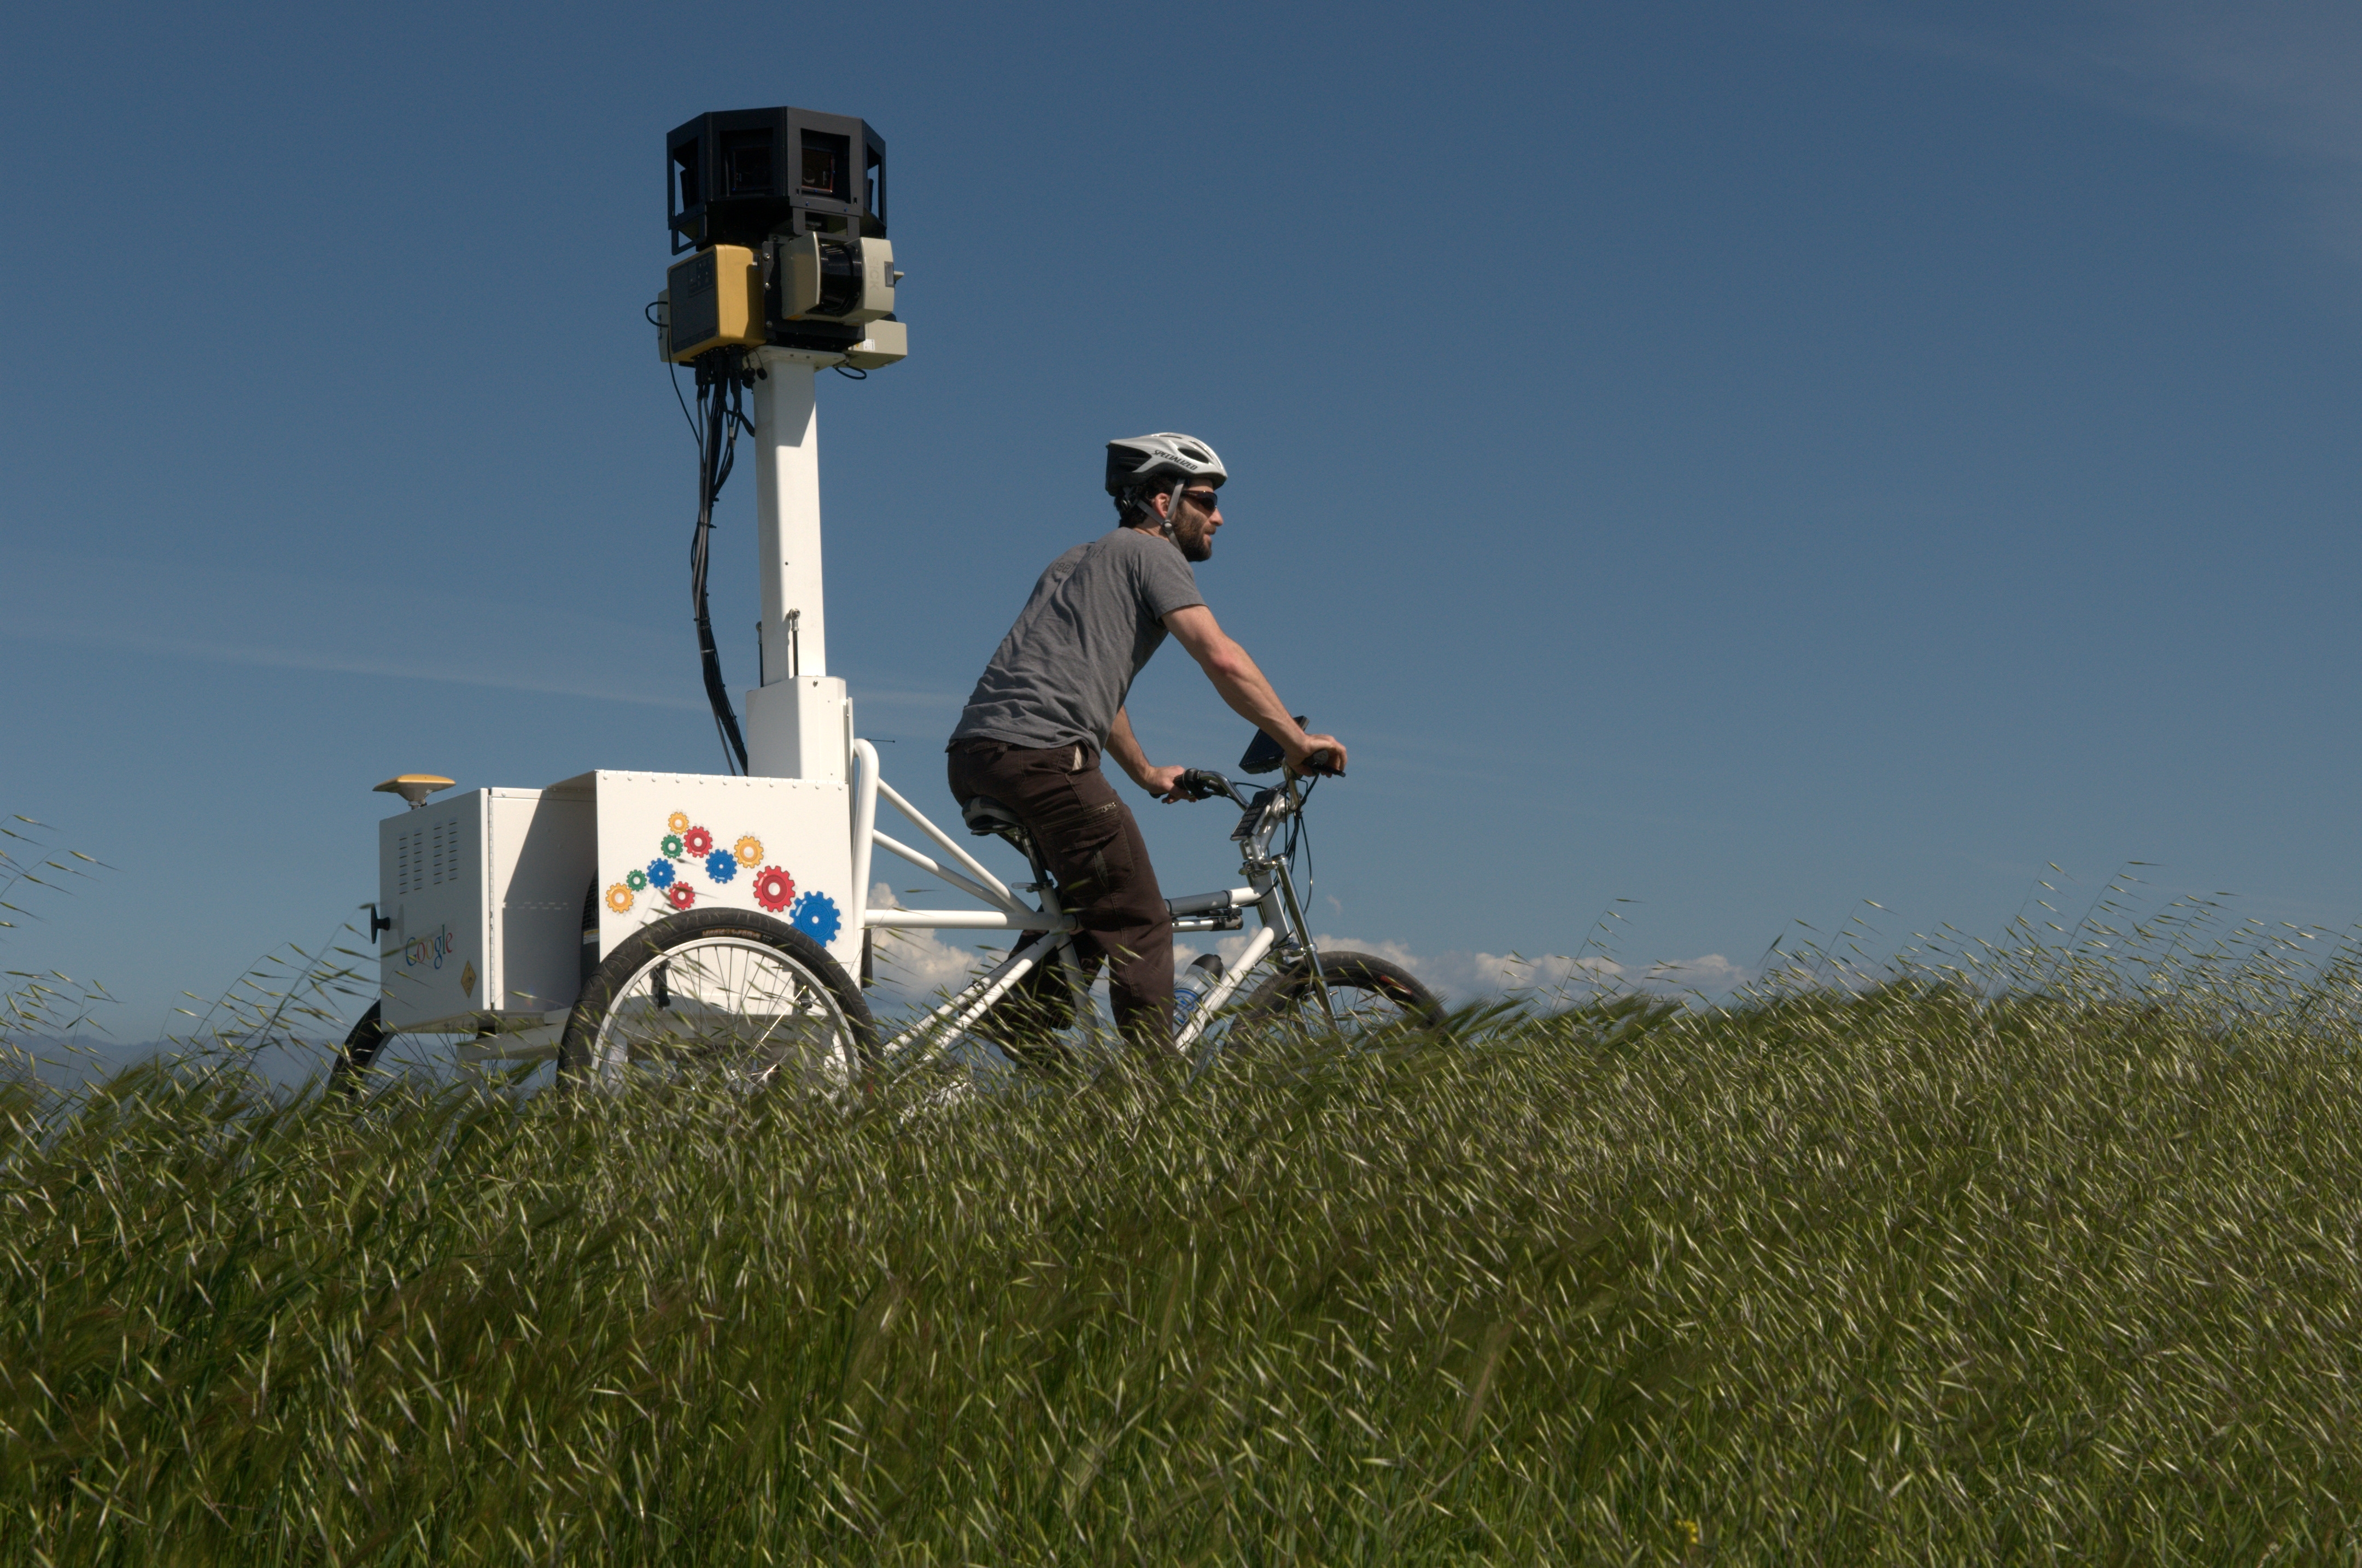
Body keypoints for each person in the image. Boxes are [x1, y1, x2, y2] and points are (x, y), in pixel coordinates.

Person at [945, 432, 1346, 1059]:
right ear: (1163, 502)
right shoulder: (1152, 554)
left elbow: (1093, 687)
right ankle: (1153, 1099)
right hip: (1046, 759)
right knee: (1141, 923)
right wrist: (1295, 743)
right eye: (1205, 500)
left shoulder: (1075, 561)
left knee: (1093, 900)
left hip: (977, 757)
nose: (1219, 517)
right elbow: (1220, 657)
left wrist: (1146, 772)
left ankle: (1020, 1020)